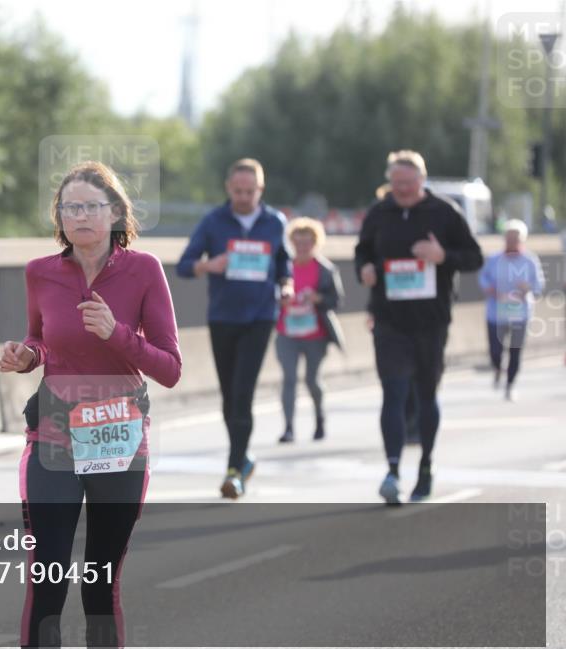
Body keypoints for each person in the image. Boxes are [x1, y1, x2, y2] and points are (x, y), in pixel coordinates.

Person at [0, 161, 181, 649]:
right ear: (58, 216)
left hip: (118, 439)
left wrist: (117, 334)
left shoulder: (143, 270)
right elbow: (41, 338)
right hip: (54, 436)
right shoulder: (41, 272)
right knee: (48, 575)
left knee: (99, 580)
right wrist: (27, 356)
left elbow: (170, 369)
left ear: (117, 213)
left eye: (91, 206)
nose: (80, 215)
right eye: (69, 207)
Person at [355, 150, 483, 505]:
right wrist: (364, 270)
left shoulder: (444, 213)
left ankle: (426, 466)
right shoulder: (379, 213)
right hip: (389, 318)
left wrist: (443, 257)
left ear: (422, 181)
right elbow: (362, 252)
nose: (403, 190)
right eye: (396, 184)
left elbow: (474, 257)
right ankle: (393, 470)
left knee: (426, 395)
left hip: (431, 320)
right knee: (393, 394)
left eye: (409, 184)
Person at [176, 158, 293, 499]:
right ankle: (244, 458)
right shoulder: (214, 221)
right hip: (223, 316)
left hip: (260, 316)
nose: (244, 197)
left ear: (261, 189)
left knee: (243, 393)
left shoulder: (274, 222)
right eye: (238, 191)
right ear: (229, 188)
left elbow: (284, 262)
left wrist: (286, 284)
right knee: (229, 398)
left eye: (250, 191)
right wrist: (208, 265)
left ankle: (233, 471)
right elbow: (184, 265)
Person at [274, 217, 345, 444]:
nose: (302, 247)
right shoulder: (285, 268)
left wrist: (318, 298)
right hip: (287, 332)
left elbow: (336, 300)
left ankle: (319, 418)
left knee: (312, 380)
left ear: (316, 243)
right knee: (289, 379)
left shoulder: (325, 269)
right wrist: (281, 301)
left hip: (316, 334)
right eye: (298, 242)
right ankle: (288, 428)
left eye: (307, 242)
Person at [478, 219, 545, 401]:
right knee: (495, 350)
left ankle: (510, 384)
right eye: (509, 238)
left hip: (519, 313)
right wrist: (490, 289)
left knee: (515, 350)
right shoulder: (493, 259)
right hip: (495, 312)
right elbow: (482, 278)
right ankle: (497, 367)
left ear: (522, 240)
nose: (512, 241)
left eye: (516, 238)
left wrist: (527, 288)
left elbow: (538, 286)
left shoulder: (530, 261)